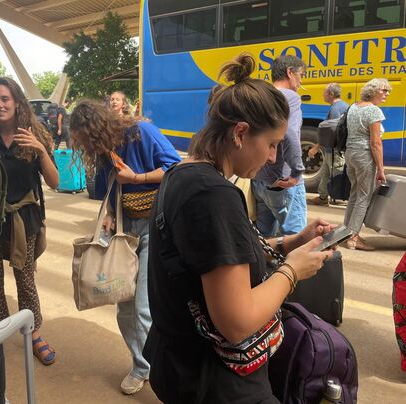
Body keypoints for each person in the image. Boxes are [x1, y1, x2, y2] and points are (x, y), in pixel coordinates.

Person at [143, 53, 334, 404]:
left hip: (181, 365)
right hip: (216, 381)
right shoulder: (213, 193)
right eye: (272, 144)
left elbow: (215, 256)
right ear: (241, 133)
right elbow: (237, 321)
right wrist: (293, 271)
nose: (274, 157)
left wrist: (293, 241)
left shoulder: (184, 175)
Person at [70, 99, 180, 395]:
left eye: (88, 141)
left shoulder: (141, 132)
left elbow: (175, 168)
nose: (88, 148)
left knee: (144, 309)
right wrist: (107, 214)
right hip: (124, 230)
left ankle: (165, 376)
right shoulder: (105, 149)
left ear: (99, 129)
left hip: (155, 228)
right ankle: (142, 365)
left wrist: (137, 178)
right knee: (124, 309)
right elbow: (111, 184)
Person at [0, 77, 59, 366]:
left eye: (4, 99)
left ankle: (34, 333)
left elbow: (55, 182)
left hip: (23, 220)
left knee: (25, 279)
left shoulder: (33, 134)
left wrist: (40, 150)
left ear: (17, 102)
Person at [252, 55, 307, 236]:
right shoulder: (290, 97)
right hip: (283, 181)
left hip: (259, 180)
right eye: (301, 74)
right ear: (290, 72)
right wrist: (297, 172)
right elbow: (290, 134)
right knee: (294, 236)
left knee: (264, 236)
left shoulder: (260, 96)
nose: (301, 80)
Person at [342, 78, 391, 251]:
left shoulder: (354, 107)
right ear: (374, 90)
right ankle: (354, 237)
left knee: (354, 194)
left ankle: (345, 233)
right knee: (364, 197)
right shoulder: (373, 111)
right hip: (364, 156)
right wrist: (381, 169)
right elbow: (375, 143)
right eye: (384, 90)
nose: (387, 93)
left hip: (350, 154)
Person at [308, 83, 349, 206]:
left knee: (337, 173)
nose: (323, 95)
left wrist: (316, 147)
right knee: (326, 173)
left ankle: (340, 196)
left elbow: (331, 133)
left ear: (331, 94)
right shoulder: (343, 106)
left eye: (324, 93)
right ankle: (323, 197)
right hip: (332, 150)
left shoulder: (336, 109)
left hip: (335, 150)